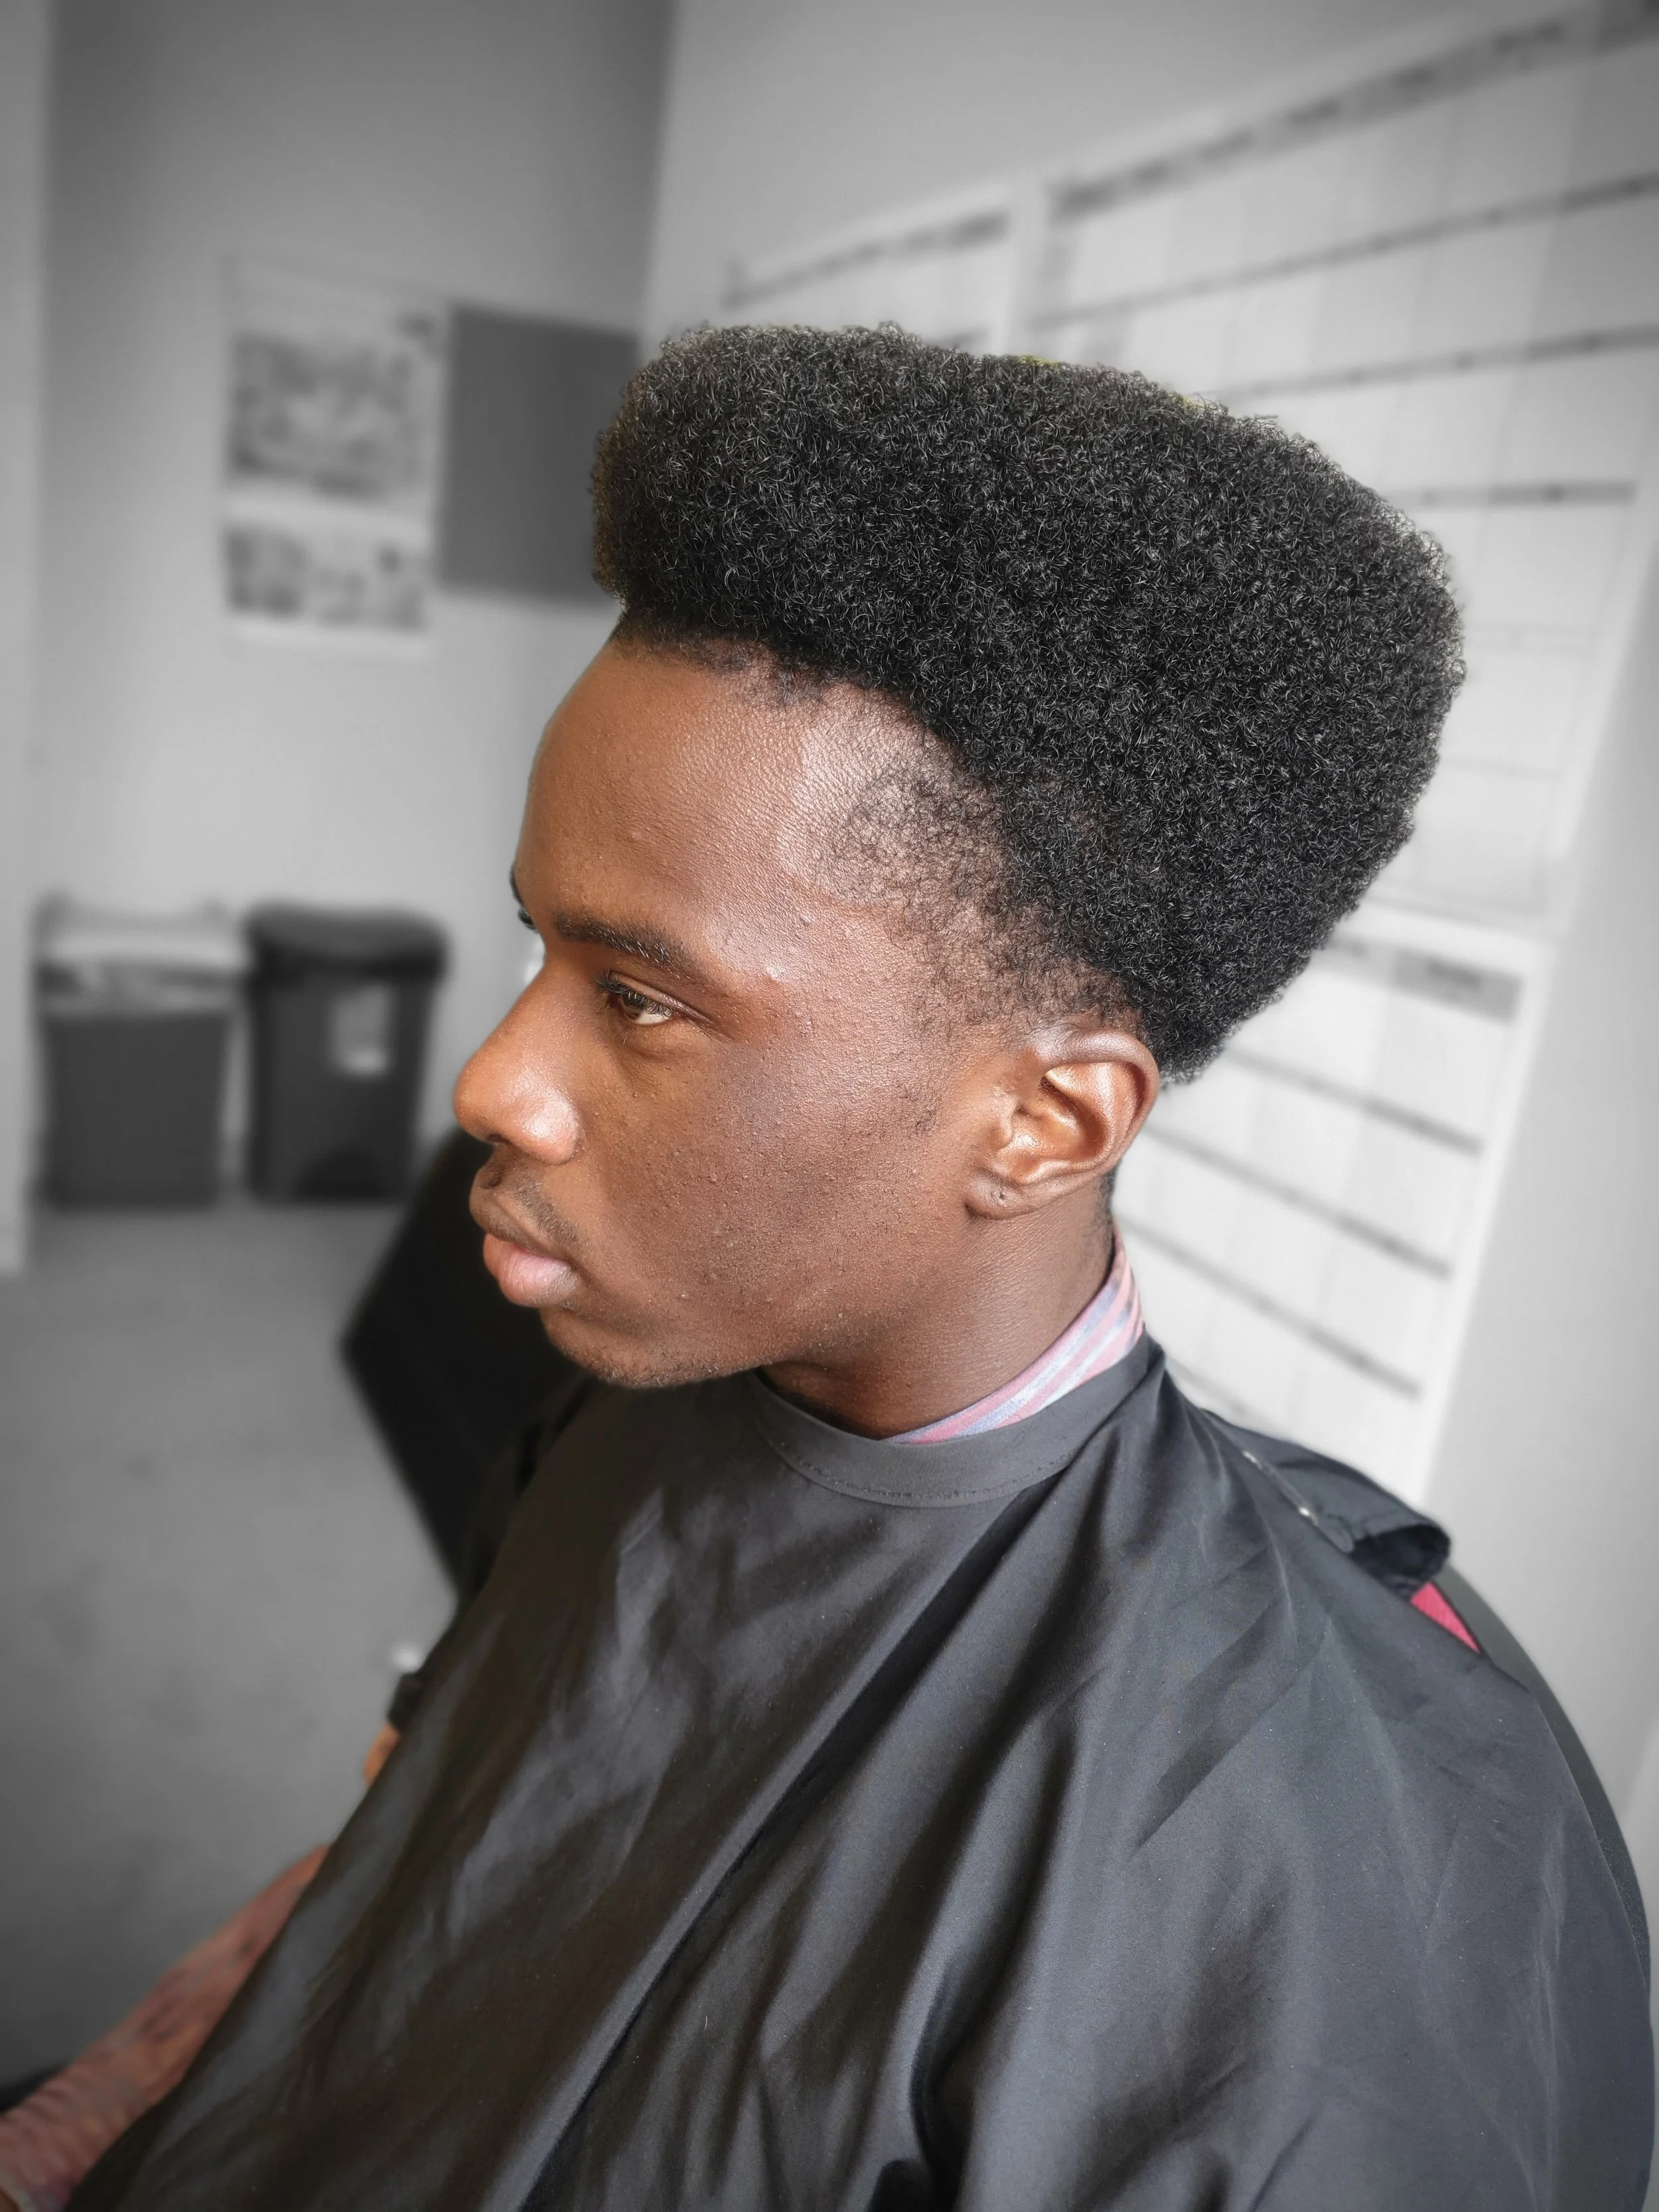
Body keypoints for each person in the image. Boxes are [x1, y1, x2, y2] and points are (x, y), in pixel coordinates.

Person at [7, 326, 1651, 2209]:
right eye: (536, 945)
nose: (490, 1081)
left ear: (1041, 1122)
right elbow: (421, 1864)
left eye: (636, 997)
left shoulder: (1299, 1886)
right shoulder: (628, 1380)